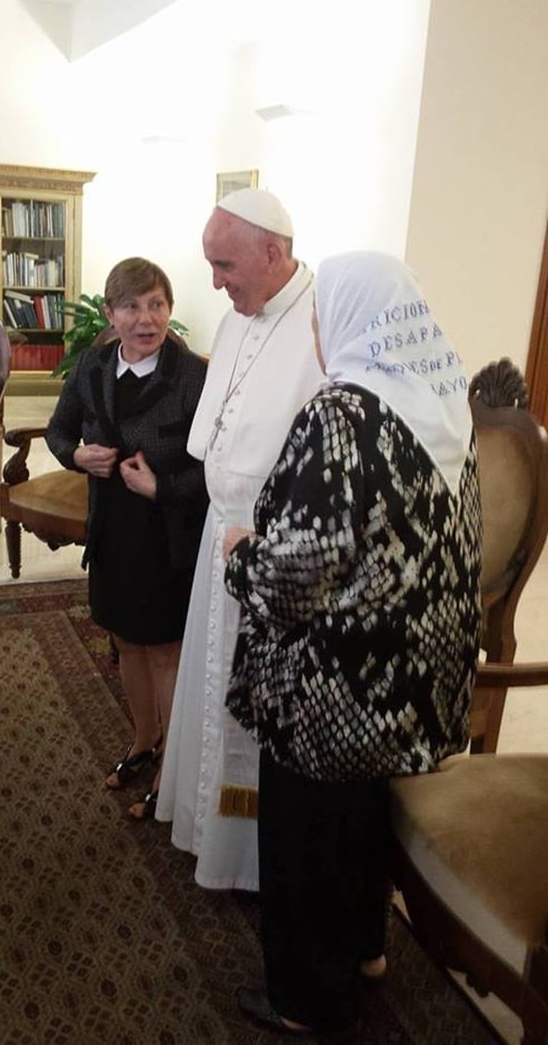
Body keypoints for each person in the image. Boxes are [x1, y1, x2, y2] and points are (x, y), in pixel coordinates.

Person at [221, 251, 483, 1036]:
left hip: (337, 690)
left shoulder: (340, 416)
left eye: (318, 316)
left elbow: (294, 580)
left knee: (308, 837)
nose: (315, 330)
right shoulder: (446, 405)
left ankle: (307, 995)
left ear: (349, 319)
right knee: (364, 821)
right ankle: (367, 947)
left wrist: (240, 552)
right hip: (418, 678)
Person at [154, 188, 322, 886]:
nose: (216, 284)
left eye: (225, 265)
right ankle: (202, 824)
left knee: (250, 710)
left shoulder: (321, 322)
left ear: (273, 251)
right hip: (219, 540)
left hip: (276, 554)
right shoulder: (236, 320)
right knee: (209, 681)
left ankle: (250, 861)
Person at [47, 257, 208, 815]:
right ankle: (144, 740)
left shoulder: (192, 376)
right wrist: (76, 455)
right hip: (112, 527)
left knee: (164, 651)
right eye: (134, 306)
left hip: (167, 534)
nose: (148, 318)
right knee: (127, 642)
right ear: (112, 314)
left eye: (158, 304)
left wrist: (161, 488)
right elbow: (59, 428)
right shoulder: (93, 366)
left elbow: (217, 468)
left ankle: (172, 766)